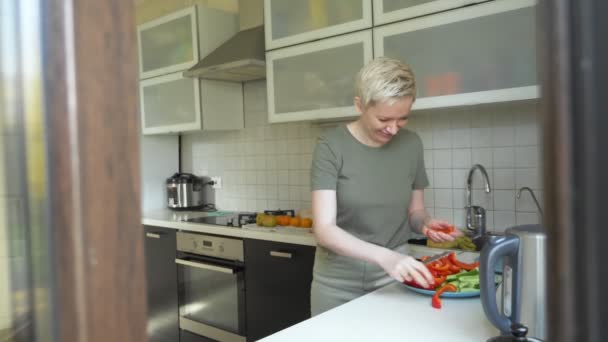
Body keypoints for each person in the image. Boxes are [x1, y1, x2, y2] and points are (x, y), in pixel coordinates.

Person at [309, 57, 462, 315]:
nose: (393, 129)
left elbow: (416, 212)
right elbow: (324, 229)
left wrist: (426, 223)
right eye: (383, 119)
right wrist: (386, 257)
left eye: (402, 119)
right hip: (336, 282)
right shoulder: (330, 146)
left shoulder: (412, 145)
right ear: (360, 105)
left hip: (393, 280)